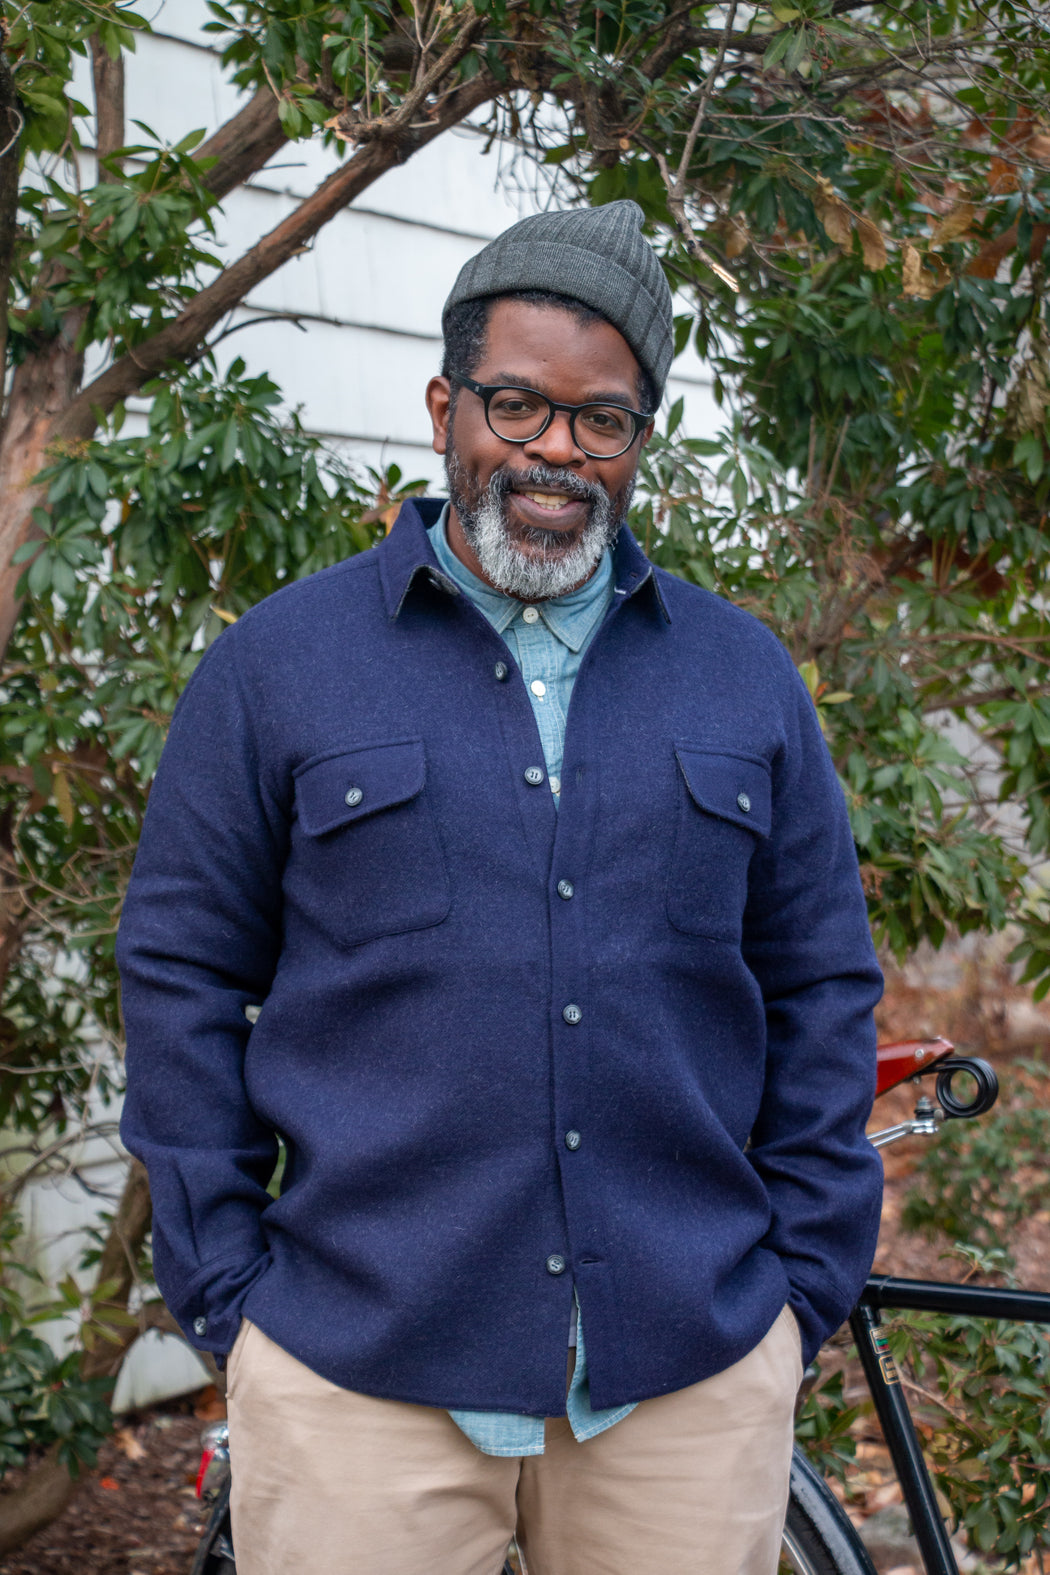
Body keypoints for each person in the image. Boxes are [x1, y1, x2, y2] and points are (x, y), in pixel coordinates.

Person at [118, 200, 883, 1575]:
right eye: (515, 406)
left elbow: (822, 983)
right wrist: (232, 1295)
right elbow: (179, 975)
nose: (552, 455)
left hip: (684, 1378)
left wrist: (797, 1288)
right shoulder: (277, 669)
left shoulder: (741, 676)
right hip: (359, 1375)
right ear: (442, 405)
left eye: (602, 421)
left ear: (639, 438)